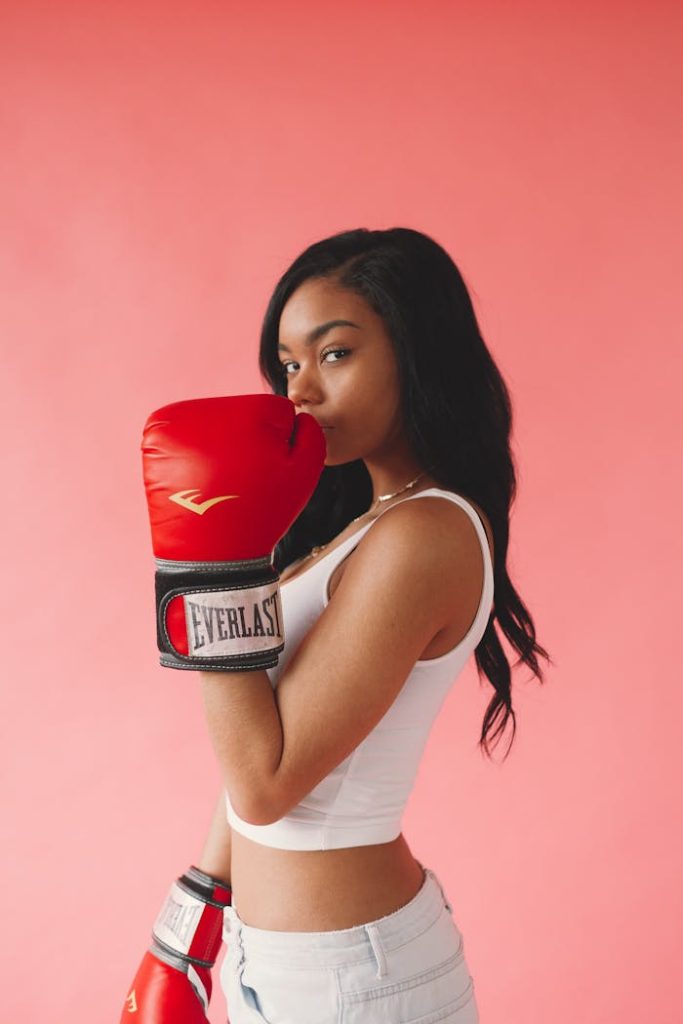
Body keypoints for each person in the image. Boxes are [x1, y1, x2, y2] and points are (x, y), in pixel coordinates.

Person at [121, 227, 551, 1023]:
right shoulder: (362, 526)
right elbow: (255, 756)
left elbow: (266, 780)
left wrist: (209, 569)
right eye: (288, 363)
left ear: (416, 353)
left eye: (335, 354)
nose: (300, 393)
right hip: (284, 961)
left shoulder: (425, 534)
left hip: (352, 980)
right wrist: (187, 924)